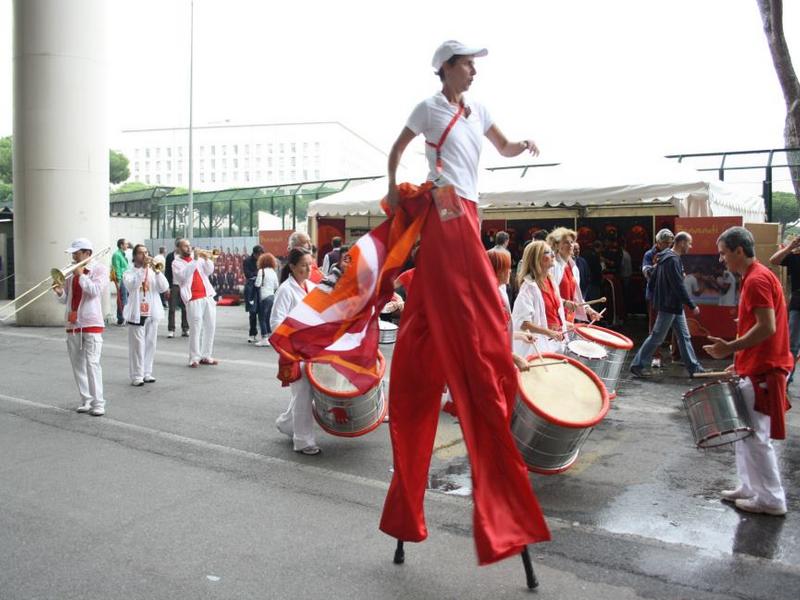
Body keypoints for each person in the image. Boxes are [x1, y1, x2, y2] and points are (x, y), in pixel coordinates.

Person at [380, 40, 550, 567]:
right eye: (466, 64)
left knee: (468, 303)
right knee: (470, 298)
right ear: (445, 69)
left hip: (469, 212)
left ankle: (481, 346)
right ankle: (483, 349)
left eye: (475, 64)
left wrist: (522, 145)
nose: (474, 71)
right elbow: (397, 147)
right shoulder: (426, 108)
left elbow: (500, 146)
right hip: (445, 211)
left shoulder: (481, 110)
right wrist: (391, 187)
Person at [704, 226, 791, 516]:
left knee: (756, 437)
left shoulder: (756, 280)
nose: (721, 259)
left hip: (764, 369)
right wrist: (739, 358)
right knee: (746, 433)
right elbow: (759, 326)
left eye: (723, 253)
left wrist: (730, 347)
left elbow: (767, 327)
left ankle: (771, 498)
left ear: (738, 251)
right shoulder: (756, 276)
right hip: (755, 367)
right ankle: (750, 486)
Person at [629, 232, 705, 378]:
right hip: (669, 305)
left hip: (671, 304)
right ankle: (637, 365)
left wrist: (654, 296)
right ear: (681, 243)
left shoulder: (665, 258)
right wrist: (691, 305)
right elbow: (678, 285)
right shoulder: (672, 260)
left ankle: (694, 368)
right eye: (689, 243)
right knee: (658, 336)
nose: (690, 246)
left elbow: (652, 277)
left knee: (684, 336)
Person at [271, 247, 320, 455]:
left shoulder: (311, 286)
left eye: (310, 264)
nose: (308, 269)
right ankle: (303, 440)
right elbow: (275, 322)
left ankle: (286, 423)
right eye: (303, 266)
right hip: (295, 350)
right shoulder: (285, 290)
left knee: (307, 392)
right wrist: (296, 337)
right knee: (302, 393)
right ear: (292, 267)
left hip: (313, 348)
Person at [53, 238, 108, 416]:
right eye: (73, 253)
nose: (73, 256)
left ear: (87, 253)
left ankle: (99, 403)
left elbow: (95, 291)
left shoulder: (99, 269)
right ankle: (86, 399)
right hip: (73, 322)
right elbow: (67, 298)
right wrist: (60, 292)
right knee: (77, 364)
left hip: (91, 322)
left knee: (92, 363)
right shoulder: (70, 272)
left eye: (76, 253)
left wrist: (81, 275)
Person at [122, 244, 169, 386]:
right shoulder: (129, 272)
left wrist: (158, 272)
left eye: (146, 252)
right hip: (137, 312)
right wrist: (143, 270)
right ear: (135, 256)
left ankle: (147, 372)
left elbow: (164, 287)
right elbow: (132, 286)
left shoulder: (153, 270)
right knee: (137, 346)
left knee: (150, 344)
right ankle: (137, 375)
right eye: (141, 253)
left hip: (152, 311)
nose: (145, 255)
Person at [512, 240, 568, 356]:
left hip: (556, 343)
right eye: (548, 252)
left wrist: (563, 323)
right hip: (538, 348)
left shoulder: (551, 280)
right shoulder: (528, 287)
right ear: (537, 259)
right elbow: (523, 323)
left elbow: (550, 312)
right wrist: (549, 332)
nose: (553, 255)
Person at [171, 238, 218, 368]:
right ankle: (194, 358)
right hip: (193, 298)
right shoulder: (176, 262)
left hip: (207, 295)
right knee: (195, 329)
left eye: (189, 245)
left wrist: (207, 259)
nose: (188, 248)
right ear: (178, 249)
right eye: (185, 246)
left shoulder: (196, 258)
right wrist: (195, 260)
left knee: (210, 327)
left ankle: (206, 355)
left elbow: (209, 271)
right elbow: (183, 276)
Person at [548, 227, 599, 324]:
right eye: (566, 242)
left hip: (569, 318)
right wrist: (564, 303)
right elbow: (547, 294)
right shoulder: (552, 266)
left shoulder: (573, 267)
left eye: (571, 242)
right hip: (554, 318)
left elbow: (576, 296)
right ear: (556, 245)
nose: (571, 245)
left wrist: (588, 310)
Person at [642, 228, 674, 368]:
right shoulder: (649, 254)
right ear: (658, 242)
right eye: (665, 243)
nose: (668, 245)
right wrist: (659, 265)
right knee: (655, 327)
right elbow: (647, 274)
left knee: (677, 327)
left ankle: (677, 354)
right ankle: (655, 355)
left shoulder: (673, 254)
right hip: (655, 295)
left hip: (671, 295)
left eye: (670, 243)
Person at [769, 236, 800, 382]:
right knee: (792, 344)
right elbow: (773, 260)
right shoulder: (795, 257)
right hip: (798, 303)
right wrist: (789, 248)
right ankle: (787, 379)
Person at [254, 252, 280, 346]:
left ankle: (264, 338)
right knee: (268, 317)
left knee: (262, 318)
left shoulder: (262, 271)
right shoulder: (273, 272)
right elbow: (276, 285)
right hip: (271, 296)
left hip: (263, 297)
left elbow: (257, 284)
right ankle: (270, 336)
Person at [165, 239, 189, 339]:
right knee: (172, 308)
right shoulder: (170, 256)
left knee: (185, 308)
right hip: (174, 285)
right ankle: (171, 329)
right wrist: (168, 287)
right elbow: (167, 272)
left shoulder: (188, 257)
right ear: (177, 247)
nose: (186, 248)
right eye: (184, 246)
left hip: (184, 285)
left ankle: (185, 328)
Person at [244, 245, 264, 343]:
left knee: (262, 312)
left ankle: (264, 334)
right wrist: (258, 275)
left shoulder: (263, 261)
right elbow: (247, 274)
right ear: (255, 254)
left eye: (261, 254)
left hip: (261, 288)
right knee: (252, 313)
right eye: (258, 254)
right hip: (251, 289)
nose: (260, 256)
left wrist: (257, 275)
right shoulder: (247, 260)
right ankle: (252, 334)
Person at [111, 237, 129, 325]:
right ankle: (122, 317)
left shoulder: (122, 254)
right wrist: (118, 279)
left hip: (125, 278)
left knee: (124, 298)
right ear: (121, 245)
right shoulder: (117, 255)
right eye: (126, 244)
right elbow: (116, 267)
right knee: (123, 298)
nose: (127, 245)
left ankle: (122, 317)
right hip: (121, 278)